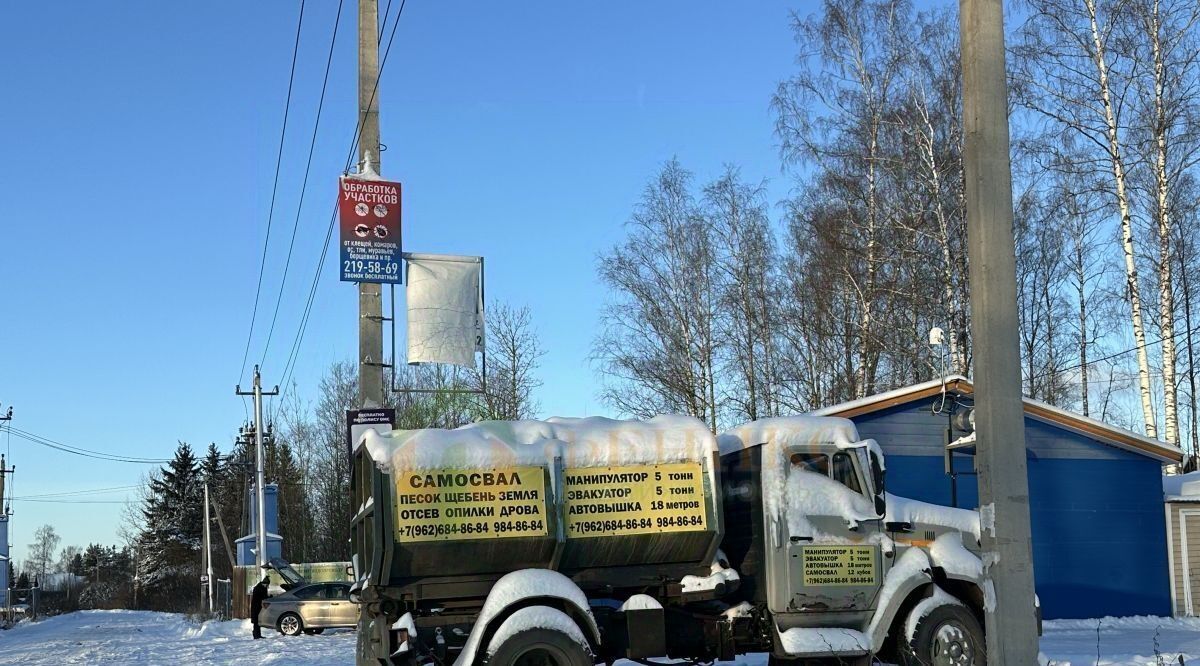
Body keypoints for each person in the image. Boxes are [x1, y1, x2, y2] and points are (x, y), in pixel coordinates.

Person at [250, 574, 270, 639]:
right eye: (267, 585)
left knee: (257, 621)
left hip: (258, 606)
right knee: (256, 621)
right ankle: (256, 635)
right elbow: (263, 597)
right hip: (256, 606)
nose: (267, 586)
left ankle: (258, 635)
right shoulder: (259, 588)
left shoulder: (261, 587)